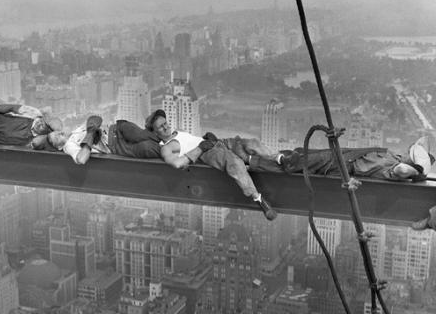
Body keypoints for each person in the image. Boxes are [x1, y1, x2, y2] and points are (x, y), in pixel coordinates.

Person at [145, 109, 285, 221]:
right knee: (235, 163)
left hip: (217, 143)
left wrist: (205, 138)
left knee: (251, 143)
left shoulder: (177, 131)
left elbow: (191, 140)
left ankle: (279, 158)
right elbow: (177, 163)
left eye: (165, 123)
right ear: (155, 133)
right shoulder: (166, 147)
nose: (165, 127)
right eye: (161, 127)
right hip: (208, 153)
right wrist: (201, 148)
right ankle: (259, 199)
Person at [232, 136, 434, 182]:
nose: (408, 150)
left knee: (293, 164)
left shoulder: (395, 168)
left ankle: (250, 159)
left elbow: (402, 172)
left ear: (411, 160)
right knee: (297, 156)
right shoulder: (392, 155)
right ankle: (252, 159)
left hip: (340, 166)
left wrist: (417, 171)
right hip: (339, 156)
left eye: (412, 153)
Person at [46, 116, 161, 164]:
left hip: (116, 129)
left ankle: (170, 141)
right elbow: (81, 159)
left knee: (142, 135)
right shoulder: (68, 146)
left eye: (57, 132)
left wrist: (93, 123)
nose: (60, 133)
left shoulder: (74, 132)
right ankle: (172, 148)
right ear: (59, 147)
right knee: (146, 147)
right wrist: (90, 135)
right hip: (115, 144)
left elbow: (96, 119)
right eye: (57, 137)